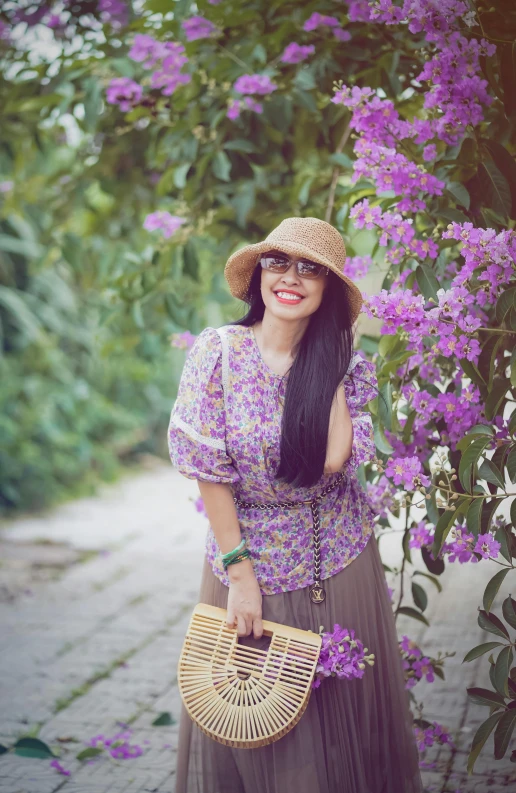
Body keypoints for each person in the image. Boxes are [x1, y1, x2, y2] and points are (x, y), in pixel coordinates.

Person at [168, 217, 423, 793]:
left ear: (329, 290)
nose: (291, 278)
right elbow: (208, 471)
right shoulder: (218, 352)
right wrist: (241, 574)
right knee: (254, 719)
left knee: (338, 730)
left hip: (333, 556)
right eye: (279, 263)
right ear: (258, 274)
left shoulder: (348, 367)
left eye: (311, 270)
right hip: (243, 557)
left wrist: (327, 359)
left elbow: (333, 460)